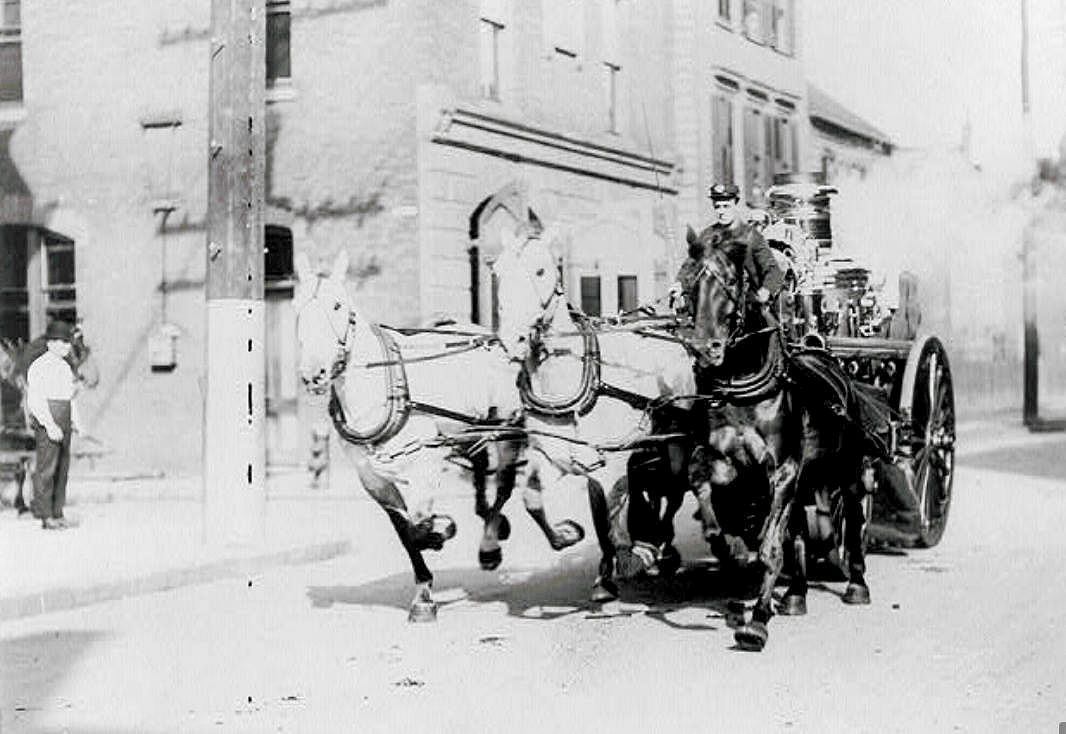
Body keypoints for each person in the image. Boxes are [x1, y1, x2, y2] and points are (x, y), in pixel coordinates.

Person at [669, 183, 785, 320]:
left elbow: (773, 270)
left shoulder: (752, 236)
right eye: (717, 207)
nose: (721, 211)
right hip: (711, 309)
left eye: (726, 206)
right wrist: (680, 284)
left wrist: (766, 291)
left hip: (747, 309)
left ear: (735, 205)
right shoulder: (707, 235)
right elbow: (691, 264)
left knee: (768, 331)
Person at [26, 320, 81, 530]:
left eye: (68, 343)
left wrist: (76, 422)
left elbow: (70, 399)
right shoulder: (39, 366)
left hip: (64, 417)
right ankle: (45, 514)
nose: (67, 347)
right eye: (62, 342)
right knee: (47, 469)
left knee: (62, 468)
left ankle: (58, 512)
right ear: (50, 343)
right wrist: (49, 425)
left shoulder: (66, 368)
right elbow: (35, 400)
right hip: (48, 418)